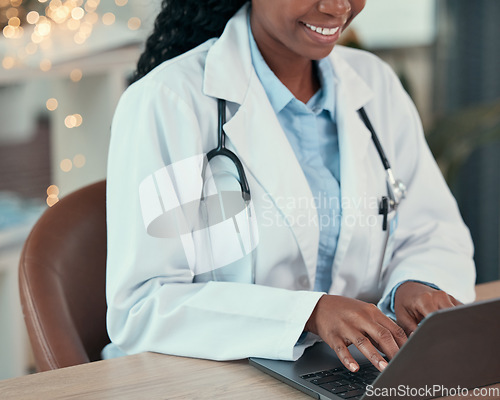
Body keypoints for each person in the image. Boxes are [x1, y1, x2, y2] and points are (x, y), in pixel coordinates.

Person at [104, 0, 476, 373]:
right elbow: (142, 306)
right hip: (204, 379)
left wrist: (415, 283)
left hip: (354, 372)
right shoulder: (168, 101)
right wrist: (307, 314)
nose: (338, 6)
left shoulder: (374, 83)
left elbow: (433, 230)